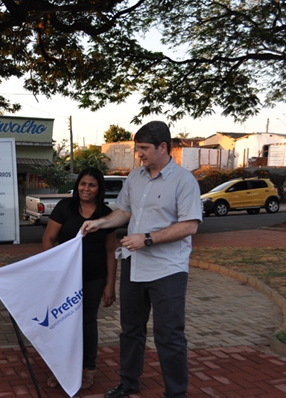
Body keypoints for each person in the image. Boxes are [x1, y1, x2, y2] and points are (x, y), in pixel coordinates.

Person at [81, 121, 202, 398]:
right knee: (130, 331)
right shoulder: (135, 177)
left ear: (163, 147)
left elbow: (190, 226)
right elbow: (124, 212)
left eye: (144, 148)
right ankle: (128, 383)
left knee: (169, 335)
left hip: (168, 270)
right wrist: (99, 223)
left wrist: (146, 238)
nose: (139, 154)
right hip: (134, 266)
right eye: (138, 148)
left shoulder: (184, 181)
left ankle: (176, 393)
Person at [42, 167, 117, 390]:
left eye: (92, 185)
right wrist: (54, 271)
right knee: (63, 322)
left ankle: (88, 368)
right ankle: (60, 368)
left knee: (87, 322)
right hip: (65, 278)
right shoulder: (65, 207)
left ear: (99, 188)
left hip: (94, 278)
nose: (86, 188)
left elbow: (111, 250)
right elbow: (48, 240)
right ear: (77, 186)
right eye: (83, 184)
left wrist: (111, 284)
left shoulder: (106, 214)